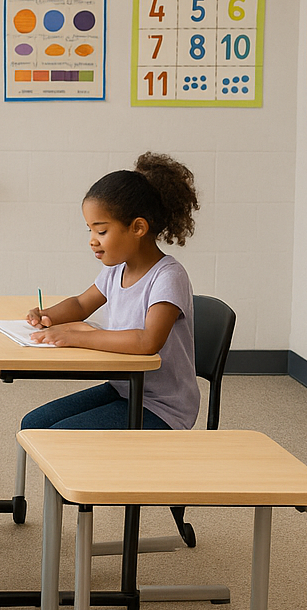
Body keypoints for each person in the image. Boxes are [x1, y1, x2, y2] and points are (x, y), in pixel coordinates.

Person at [21, 151, 202, 432]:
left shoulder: (168, 276)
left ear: (138, 227)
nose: (93, 241)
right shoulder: (117, 269)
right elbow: (82, 304)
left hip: (163, 407)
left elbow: (147, 342)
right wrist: (49, 316)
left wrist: (76, 337)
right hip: (126, 387)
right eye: (90, 231)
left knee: (56, 436)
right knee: (33, 424)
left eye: (101, 231)